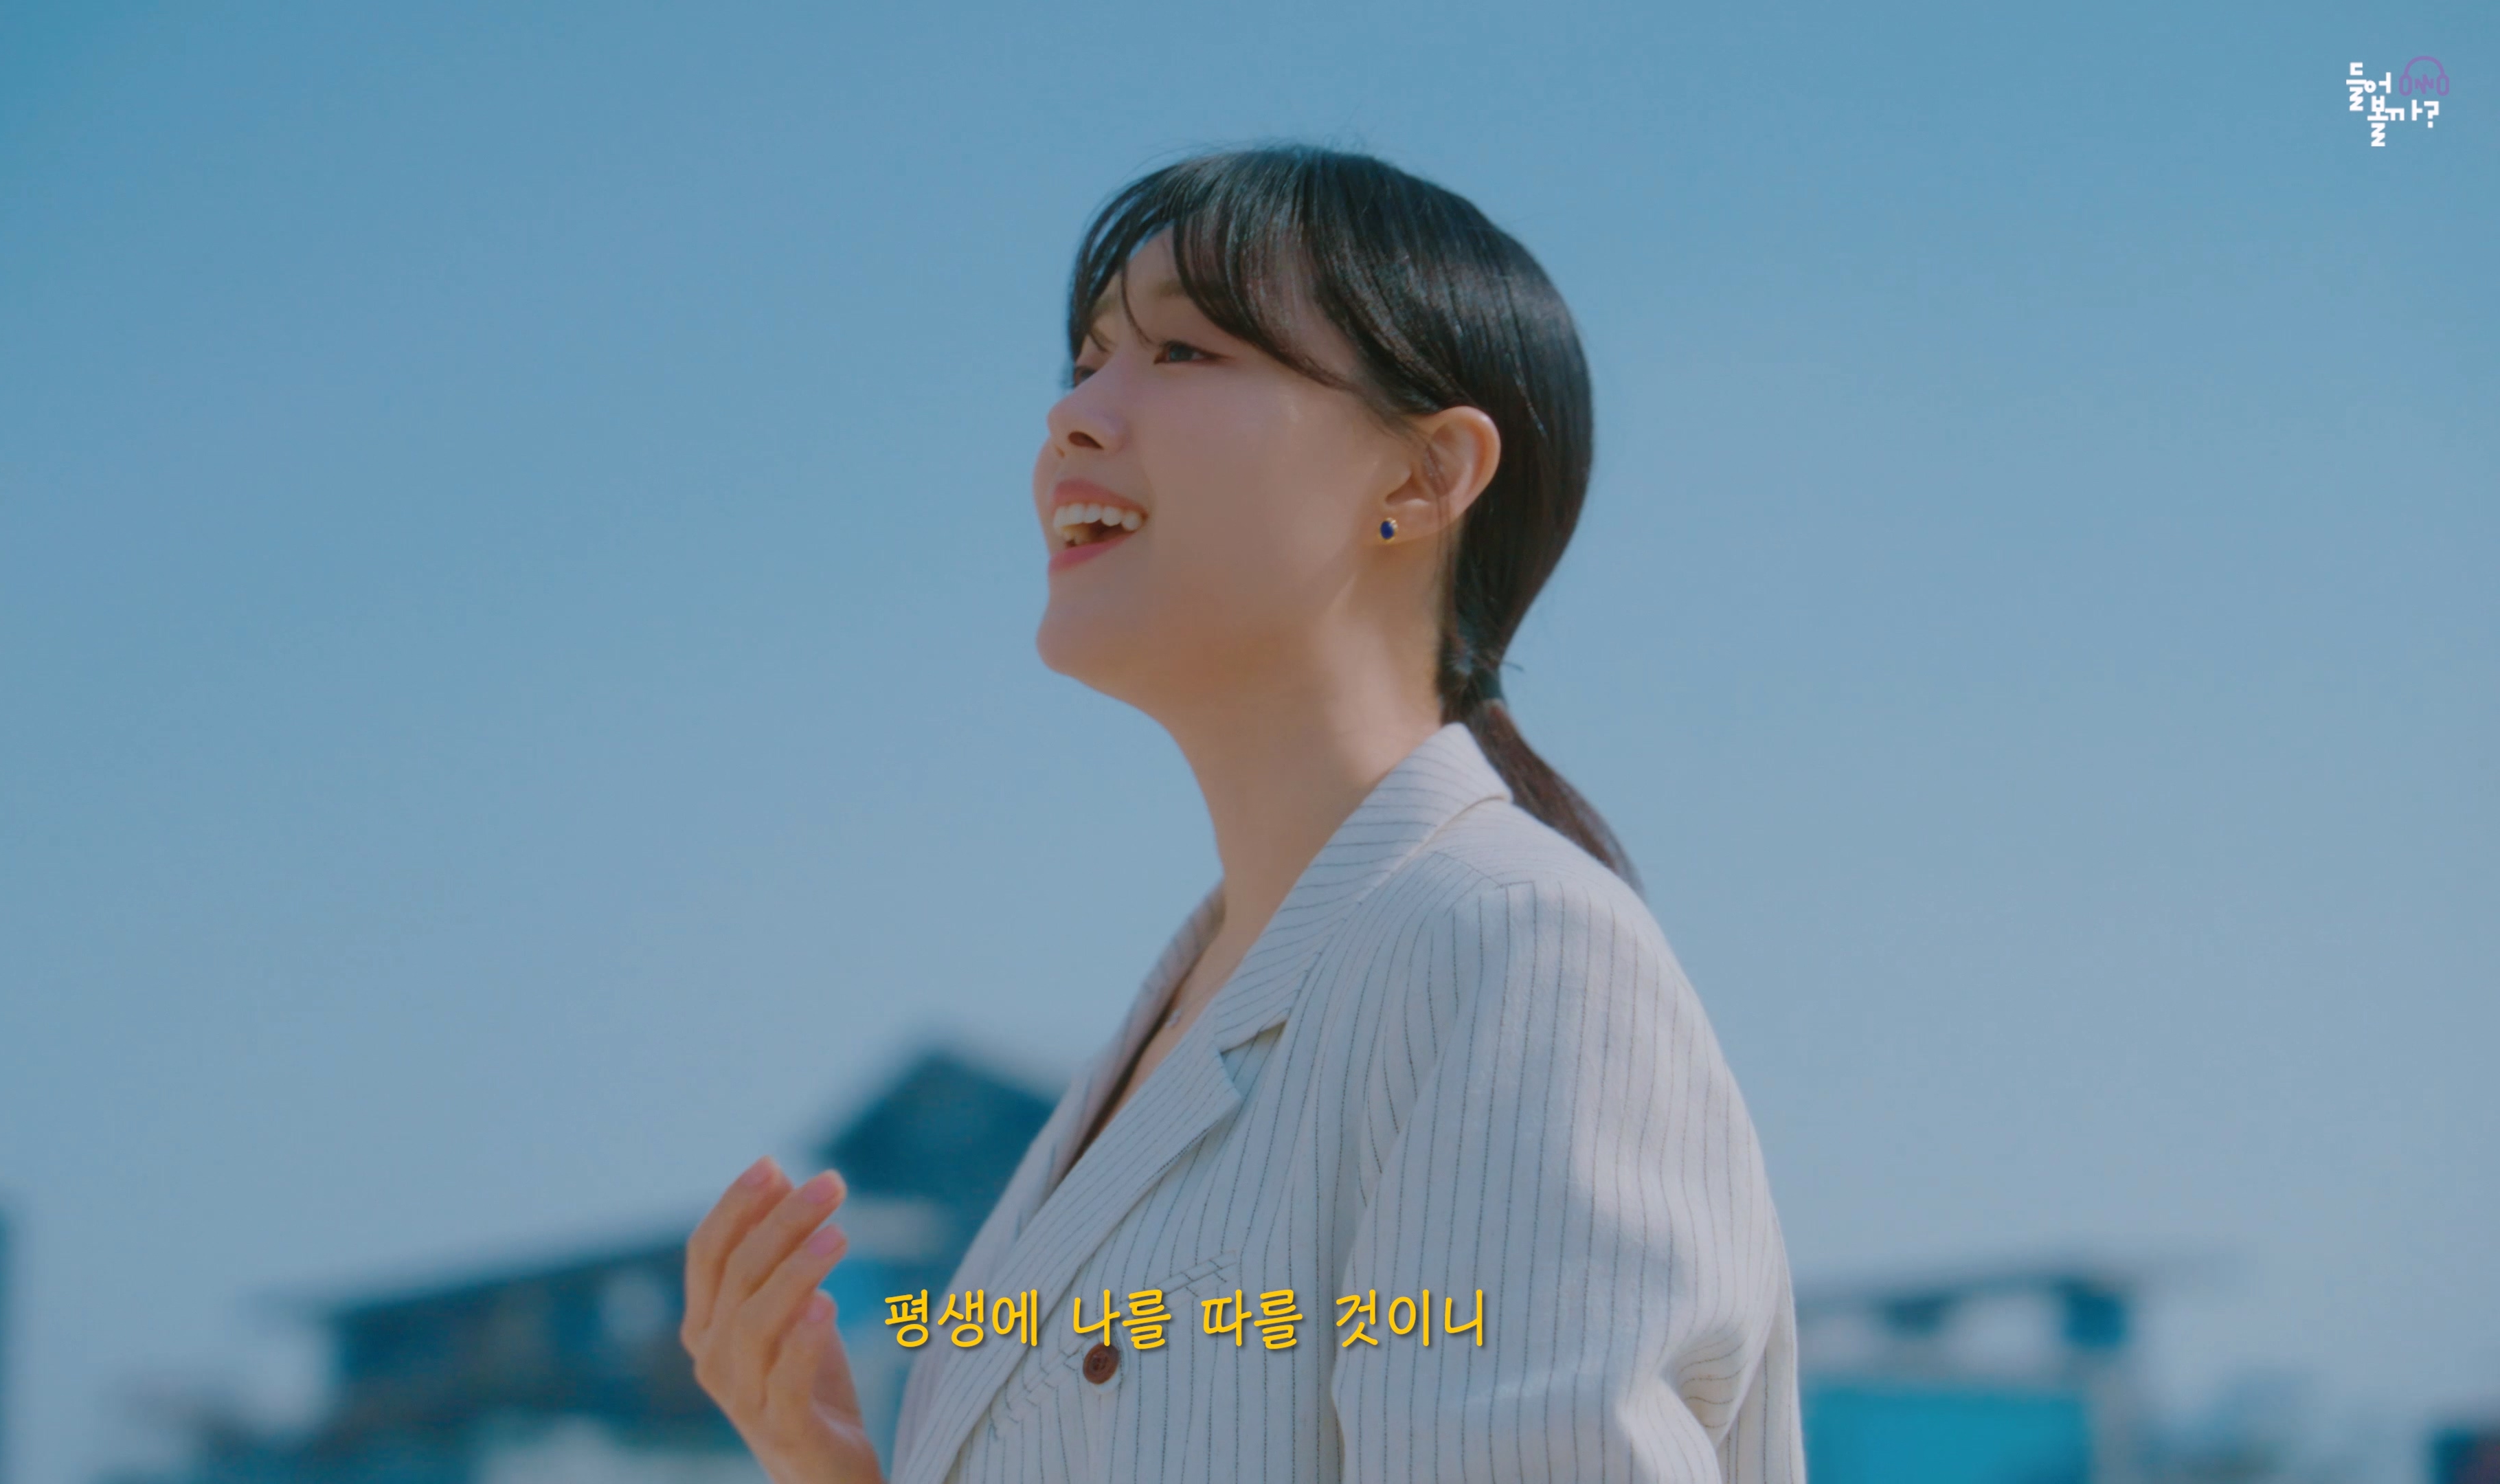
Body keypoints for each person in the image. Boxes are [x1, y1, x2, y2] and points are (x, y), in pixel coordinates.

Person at [682, 144, 1803, 1483]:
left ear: (1425, 476)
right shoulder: (1180, 1020)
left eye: (1184, 352)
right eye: (1083, 361)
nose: (1075, 416)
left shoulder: (1511, 946)